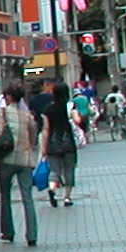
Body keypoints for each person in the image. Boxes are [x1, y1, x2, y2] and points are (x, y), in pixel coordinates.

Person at [0, 80, 41, 245]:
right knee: (28, 197)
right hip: (25, 159)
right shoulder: (28, 116)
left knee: (5, 195)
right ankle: (32, 235)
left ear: (9, 97)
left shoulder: (2, 113)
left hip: (7, 159)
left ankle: (8, 231)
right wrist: (29, 148)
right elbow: (33, 135)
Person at [44, 79, 81, 207]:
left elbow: (46, 129)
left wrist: (44, 147)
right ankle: (67, 198)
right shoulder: (70, 106)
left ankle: (52, 189)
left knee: (54, 170)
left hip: (53, 143)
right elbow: (77, 120)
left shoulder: (48, 109)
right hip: (67, 142)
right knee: (69, 170)